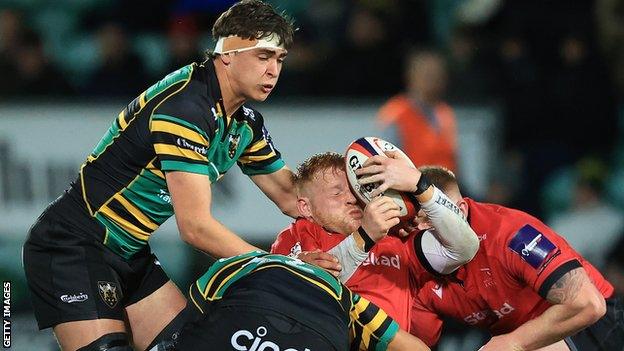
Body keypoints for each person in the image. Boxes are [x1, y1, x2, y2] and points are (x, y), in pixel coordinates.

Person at [22, 1, 298, 350]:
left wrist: (364, 202)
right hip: (72, 246)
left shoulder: (244, 123)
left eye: (280, 59)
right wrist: (279, 268)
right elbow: (195, 228)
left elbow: (293, 197)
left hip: (129, 252)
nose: (274, 70)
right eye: (263, 56)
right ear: (227, 54)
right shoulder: (184, 108)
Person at [356, 161, 622, 350]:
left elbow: (589, 305)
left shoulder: (510, 234)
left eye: (426, 220)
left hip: (592, 325)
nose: (418, 232)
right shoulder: (413, 261)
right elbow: (418, 343)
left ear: (457, 210)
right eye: (412, 223)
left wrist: (514, 342)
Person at [271, 152, 479, 331]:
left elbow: (465, 247)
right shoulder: (298, 234)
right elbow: (297, 298)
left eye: (354, 189)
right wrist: (365, 236)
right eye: (337, 193)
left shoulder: (397, 238)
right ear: (306, 207)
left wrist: (419, 184)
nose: (352, 198)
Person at [175, 251, 431, 351]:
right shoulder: (346, 298)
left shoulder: (258, 261)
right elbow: (415, 349)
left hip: (244, 313)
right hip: (321, 331)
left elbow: (196, 303)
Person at [376, 49, 458, 173]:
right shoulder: (395, 114)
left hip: (446, 188)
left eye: (438, 75)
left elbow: (453, 160)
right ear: (410, 75)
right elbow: (386, 164)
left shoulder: (446, 113)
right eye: (428, 75)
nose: (434, 80)